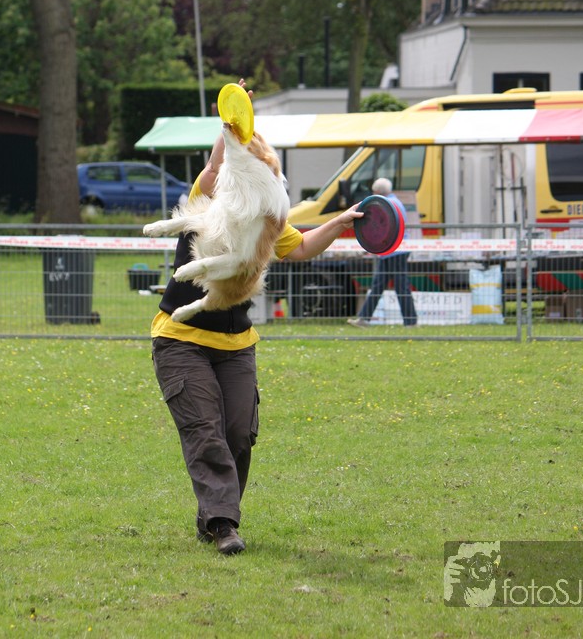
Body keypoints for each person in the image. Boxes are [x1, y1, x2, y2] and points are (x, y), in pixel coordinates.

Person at [150, 91, 364, 555]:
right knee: (205, 430)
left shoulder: (266, 218)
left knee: (238, 434)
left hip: (236, 343)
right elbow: (215, 167)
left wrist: (339, 222)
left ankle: (213, 514)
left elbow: (300, 247)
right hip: (181, 338)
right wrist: (232, 123)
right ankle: (224, 524)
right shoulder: (211, 193)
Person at [346, 178, 418, 328]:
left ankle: (409, 321)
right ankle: (366, 318)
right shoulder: (395, 202)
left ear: (377, 191)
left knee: (393, 285)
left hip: (392, 250)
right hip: (395, 250)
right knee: (385, 285)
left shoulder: (386, 204)